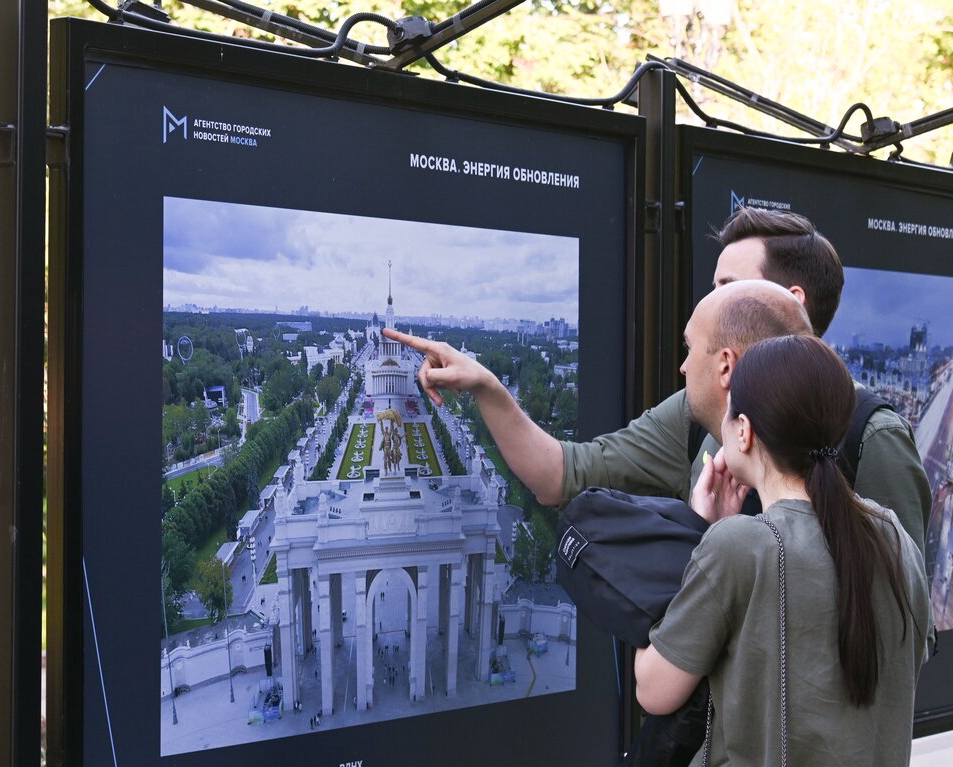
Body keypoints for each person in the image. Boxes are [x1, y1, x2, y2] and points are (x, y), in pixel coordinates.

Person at [383, 207, 930, 552]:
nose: (708, 300)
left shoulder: (870, 436)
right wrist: (487, 386)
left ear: (787, 304)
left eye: (725, 285)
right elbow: (563, 473)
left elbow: (899, 633)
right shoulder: (696, 409)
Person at [634, 335, 932, 767]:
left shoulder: (738, 546)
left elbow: (654, 689)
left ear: (744, 430)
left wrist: (697, 534)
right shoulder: (894, 537)